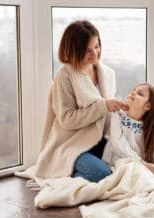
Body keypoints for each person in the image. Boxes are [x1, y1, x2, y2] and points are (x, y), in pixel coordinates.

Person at [28, 20, 128, 183]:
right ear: (73, 49)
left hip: (101, 141)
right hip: (72, 145)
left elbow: (108, 116)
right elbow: (67, 120)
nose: (95, 54)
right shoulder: (65, 76)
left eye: (96, 46)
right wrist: (103, 107)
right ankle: (59, 176)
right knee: (101, 174)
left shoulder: (108, 74)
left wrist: (123, 113)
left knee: (130, 165)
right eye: (87, 50)